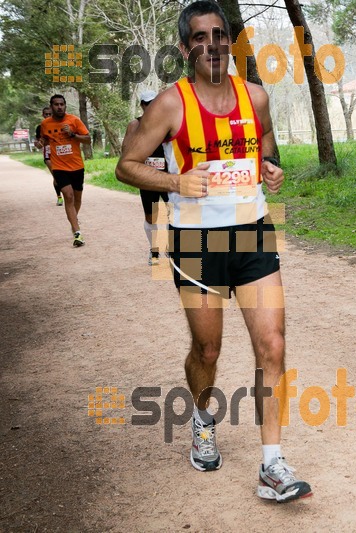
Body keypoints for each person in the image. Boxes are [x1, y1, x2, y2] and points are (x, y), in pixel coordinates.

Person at [115, 0, 311, 503]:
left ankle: (272, 464)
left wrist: (271, 166)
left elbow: (266, 143)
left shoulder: (256, 97)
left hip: (253, 232)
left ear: (230, 42)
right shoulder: (169, 104)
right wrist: (177, 180)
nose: (212, 45)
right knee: (208, 351)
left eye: (219, 35)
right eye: (200, 37)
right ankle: (203, 418)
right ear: (185, 48)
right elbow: (127, 165)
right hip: (194, 241)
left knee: (273, 346)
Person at [121, 90, 170, 266]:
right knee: (151, 216)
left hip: (167, 175)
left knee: (173, 213)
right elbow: (126, 149)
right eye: (147, 103)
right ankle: (154, 250)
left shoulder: (169, 122)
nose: (150, 107)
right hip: (147, 176)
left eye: (154, 103)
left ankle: (172, 249)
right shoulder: (135, 125)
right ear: (142, 105)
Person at [40, 94, 91, 246]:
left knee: (77, 198)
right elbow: (44, 140)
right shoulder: (45, 124)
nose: (59, 107)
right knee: (68, 196)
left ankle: (73, 220)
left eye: (62, 104)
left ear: (65, 106)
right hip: (59, 167)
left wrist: (73, 134)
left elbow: (88, 139)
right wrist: (40, 143)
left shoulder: (74, 120)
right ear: (51, 106)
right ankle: (77, 233)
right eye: (56, 104)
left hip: (77, 166)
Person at [34, 105, 62, 206]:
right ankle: (59, 197)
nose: (48, 116)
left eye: (50, 114)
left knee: (64, 175)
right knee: (56, 175)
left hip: (60, 153)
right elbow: (37, 143)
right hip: (48, 153)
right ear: (43, 115)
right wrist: (38, 144)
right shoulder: (40, 127)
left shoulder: (59, 124)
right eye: (46, 114)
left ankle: (68, 193)